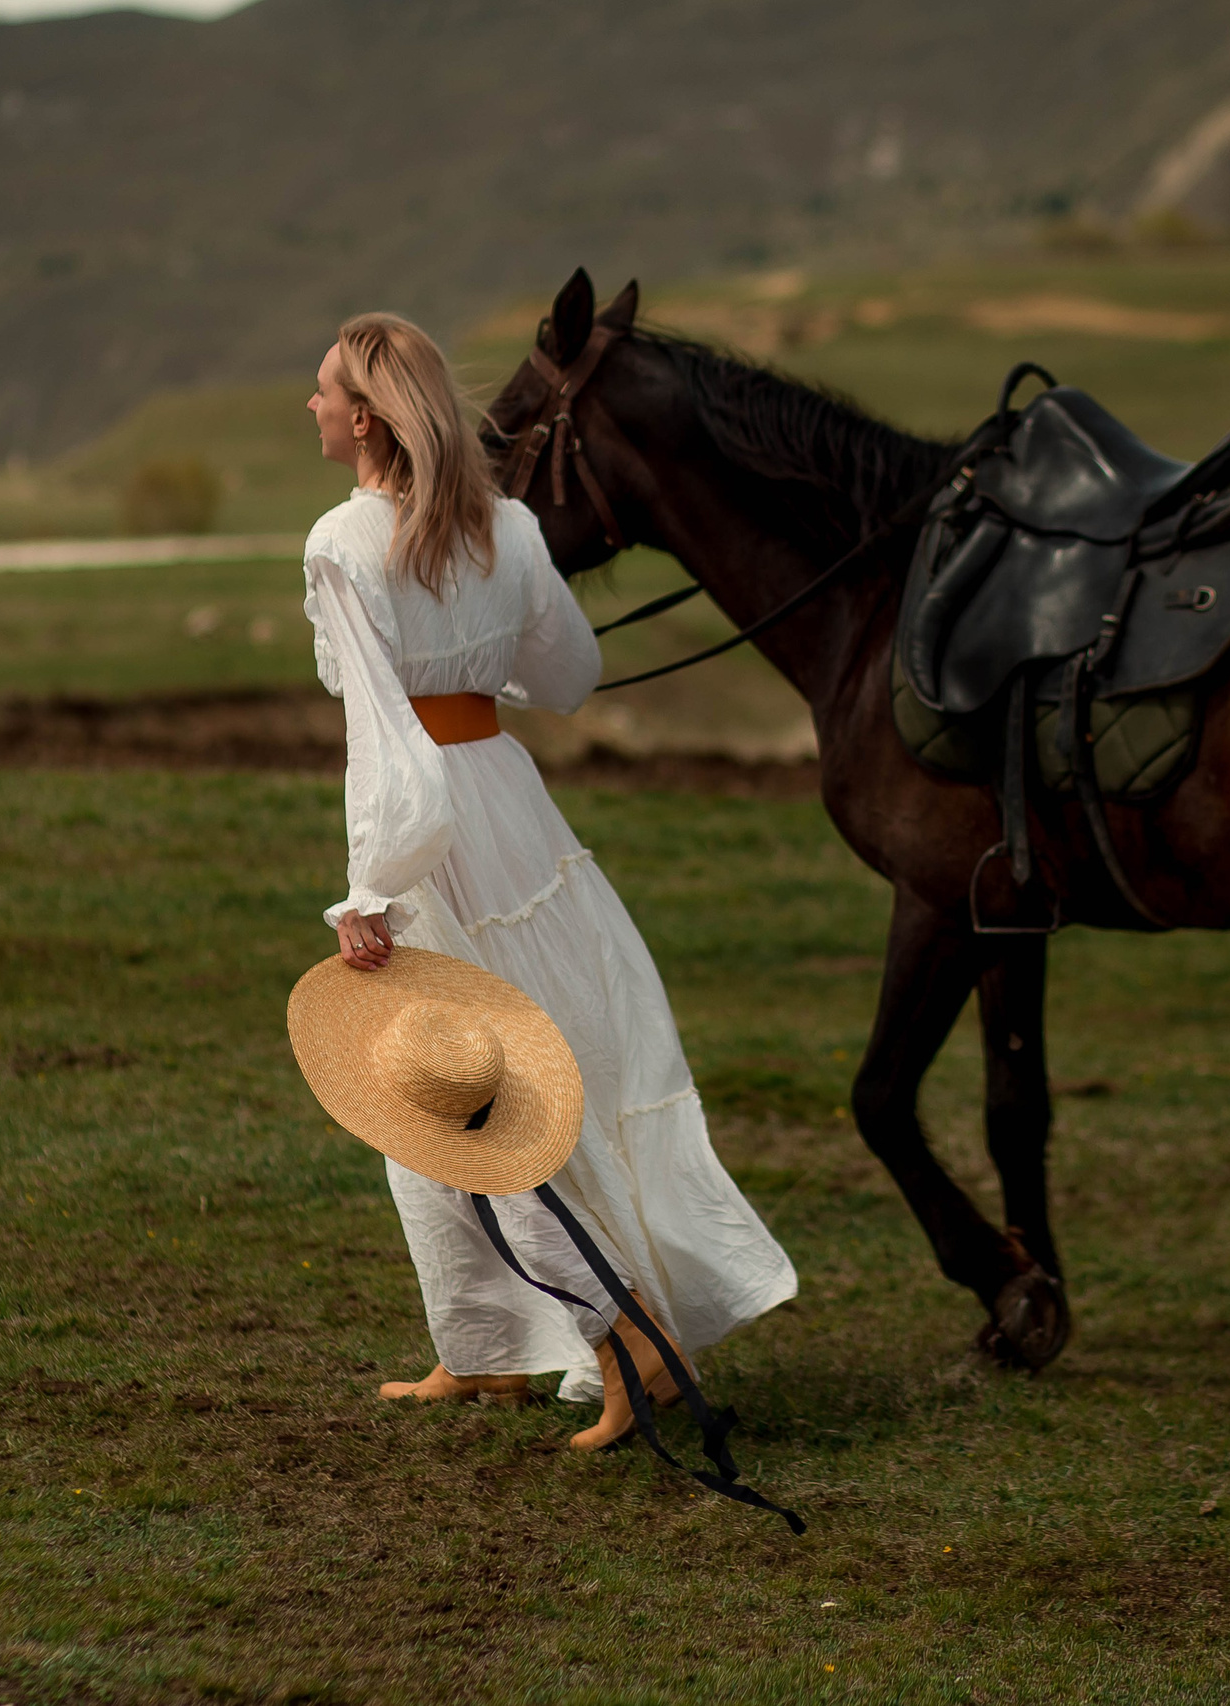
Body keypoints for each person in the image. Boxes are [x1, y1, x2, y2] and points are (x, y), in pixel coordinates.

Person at [299, 312, 797, 1448]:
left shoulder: (338, 540)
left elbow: (383, 735)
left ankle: (622, 1341)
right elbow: (569, 672)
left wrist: (369, 889)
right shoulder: (510, 526)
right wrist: (477, 671)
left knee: (482, 1098)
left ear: (368, 417)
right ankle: (483, 1347)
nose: (313, 407)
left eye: (324, 390)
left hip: (427, 831)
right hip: (511, 811)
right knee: (460, 1081)